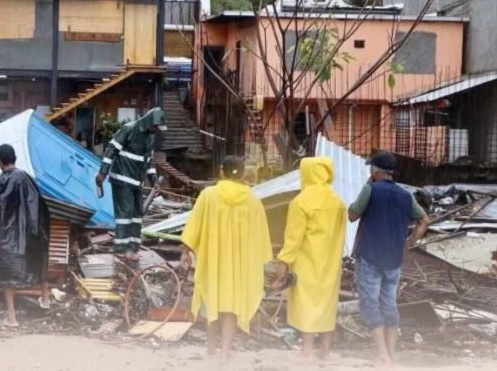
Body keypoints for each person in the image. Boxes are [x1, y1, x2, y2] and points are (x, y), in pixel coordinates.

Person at [180, 156, 273, 359]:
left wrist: (185, 252)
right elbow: (261, 237)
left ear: (222, 172)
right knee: (231, 307)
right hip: (238, 266)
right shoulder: (253, 201)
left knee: (212, 303)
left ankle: (211, 349)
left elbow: (193, 226)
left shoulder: (208, 195)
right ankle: (225, 352)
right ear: (242, 174)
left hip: (213, 262)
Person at [348, 152, 431, 366]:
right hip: (394, 258)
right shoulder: (405, 195)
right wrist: (409, 242)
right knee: (389, 304)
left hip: (369, 256)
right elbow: (424, 220)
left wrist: (366, 187)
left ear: (375, 171)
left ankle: (382, 354)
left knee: (370, 304)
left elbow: (352, 215)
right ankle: (391, 355)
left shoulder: (370, 189)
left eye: (371, 169)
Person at [274, 157, 346, 360]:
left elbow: (293, 237)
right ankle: (325, 350)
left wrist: (284, 261)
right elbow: (341, 234)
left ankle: (306, 349)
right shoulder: (338, 202)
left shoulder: (300, 202)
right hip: (330, 262)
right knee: (327, 305)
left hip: (306, 261)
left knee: (306, 304)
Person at [0, 144, 51, 327]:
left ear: (0, 162)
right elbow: (39, 206)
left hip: (6, 235)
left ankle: (12, 318)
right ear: (15, 158)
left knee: (8, 277)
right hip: (29, 233)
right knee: (38, 261)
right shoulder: (27, 178)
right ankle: (45, 297)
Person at [95, 107, 166, 256]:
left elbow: (149, 161)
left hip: (136, 182)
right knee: (125, 213)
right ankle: (121, 248)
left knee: (137, 214)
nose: (156, 130)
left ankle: (133, 246)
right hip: (122, 179)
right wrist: (102, 173)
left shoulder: (149, 136)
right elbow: (111, 150)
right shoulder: (129, 129)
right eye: (155, 127)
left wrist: (153, 180)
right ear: (149, 122)